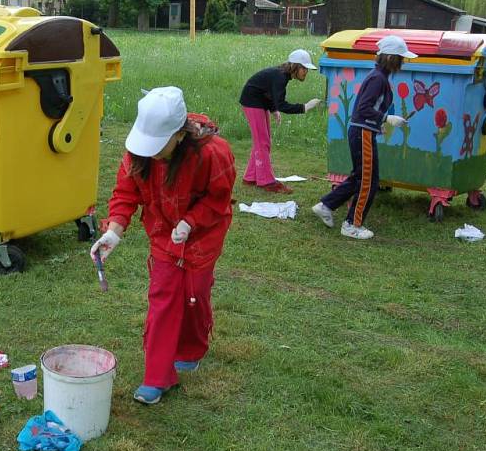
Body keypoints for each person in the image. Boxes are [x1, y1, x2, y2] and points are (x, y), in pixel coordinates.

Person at [90, 87, 236, 405]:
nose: (152, 152)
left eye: (159, 146)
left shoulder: (213, 153)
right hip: (163, 234)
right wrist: (114, 231)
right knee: (163, 297)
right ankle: (157, 377)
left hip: (203, 235)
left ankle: (192, 347)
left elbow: (219, 198)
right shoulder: (138, 152)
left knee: (195, 294)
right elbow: (125, 193)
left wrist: (191, 221)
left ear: (180, 135)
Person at [311, 35, 416, 239]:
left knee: (360, 177)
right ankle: (352, 224)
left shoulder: (379, 76)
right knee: (369, 181)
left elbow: (368, 110)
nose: (404, 62)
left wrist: (379, 125)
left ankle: (326, 205)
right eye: (401, 58)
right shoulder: (378, 79)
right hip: (362, 133)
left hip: (363, 131)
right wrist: (387, 118)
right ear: (391, 58)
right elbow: (364, 108)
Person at [239, 49, 322, 194]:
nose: (305, 72)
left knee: (263, 141)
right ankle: (267, 182)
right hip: (252, 102)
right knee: (262, 142)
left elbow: (268, 92)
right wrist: (305, 107)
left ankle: (250, 178)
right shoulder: (280, 77)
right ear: (295, 66)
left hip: (258, 102)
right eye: (304, 68)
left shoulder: (282, 75)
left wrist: (273, 109)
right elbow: (282, 104)